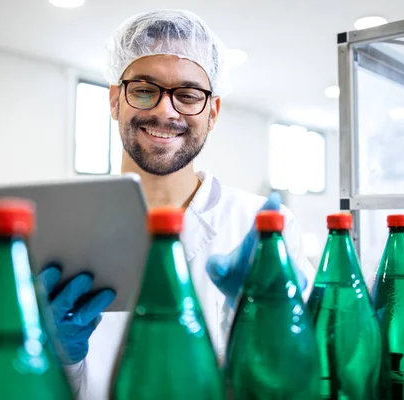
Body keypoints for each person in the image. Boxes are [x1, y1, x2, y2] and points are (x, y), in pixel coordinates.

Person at [37, 9, 316, 399]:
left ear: (212, 112)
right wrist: (54, 358)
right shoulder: (61, 227)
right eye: (144, 89)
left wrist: (267, 330)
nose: (165, 111)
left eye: (187, 95)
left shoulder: (263, 226)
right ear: (116, 99)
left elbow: (302, 381)